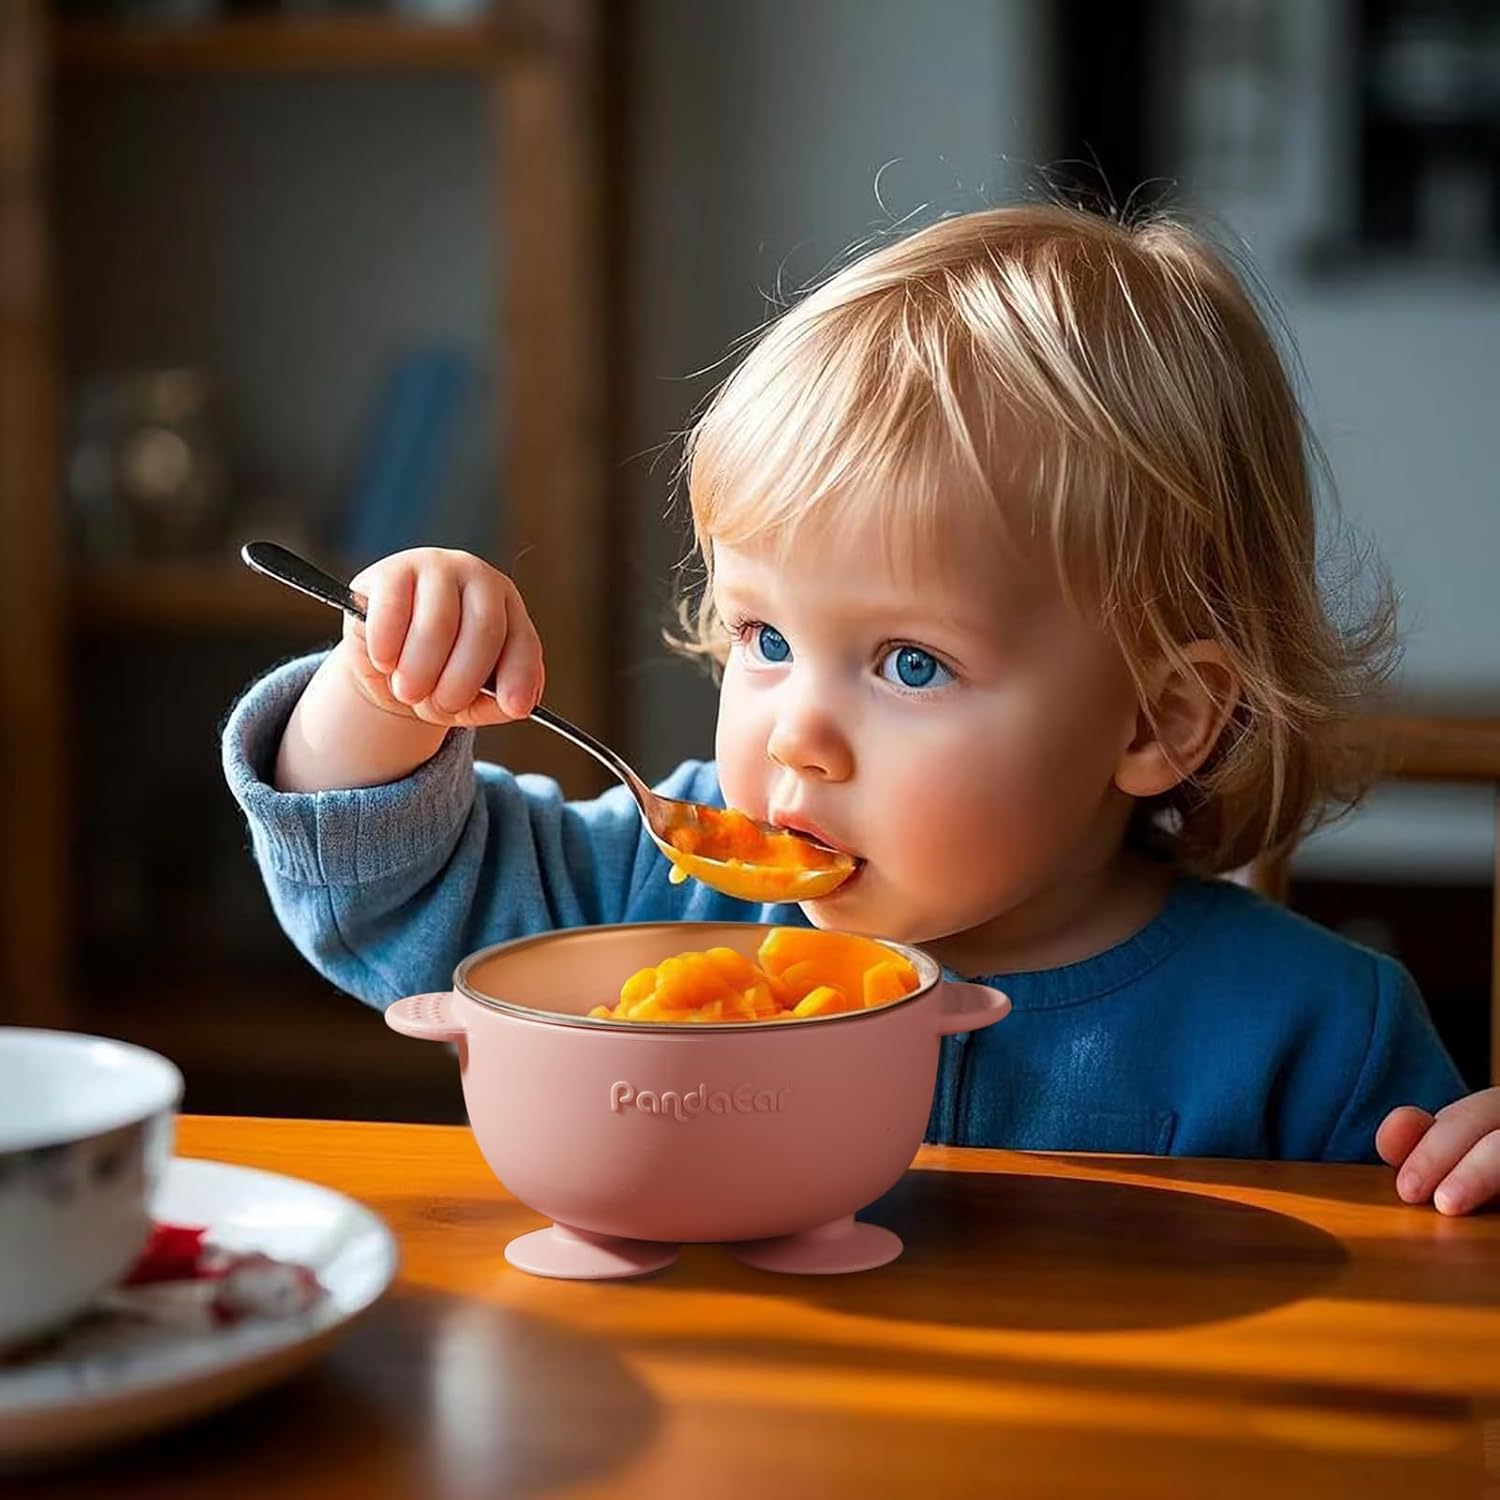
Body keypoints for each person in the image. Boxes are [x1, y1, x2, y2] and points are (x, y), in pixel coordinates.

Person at [223, 203, 1499, 1213]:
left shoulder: (1317, 1038)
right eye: (766, 638)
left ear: (1153, 724)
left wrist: (1466, 1183)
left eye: (908, 665)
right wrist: (382, 688)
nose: (793, 735)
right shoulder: (657, 904)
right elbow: (382, 893)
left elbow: (1426, 1310)